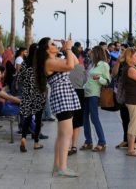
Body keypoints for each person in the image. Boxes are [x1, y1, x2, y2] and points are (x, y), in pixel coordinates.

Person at [34, 37, 80, 177]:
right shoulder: (49, 62)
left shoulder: (54, 59)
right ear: (47, 49)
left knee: (62, 134)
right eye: (52, 44)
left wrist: (67, 49)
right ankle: (62, 167)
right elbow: (70, 66)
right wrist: (67, 49)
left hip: (65, 94)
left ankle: (57, 166)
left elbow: (75, 62)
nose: (56, 45)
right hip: (62, 96)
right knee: (66, 134)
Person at [18, 43, 47, 153]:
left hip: (26, 94)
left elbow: (20, 78)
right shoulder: (41, 64)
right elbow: (44, 79)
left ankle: (24, 138)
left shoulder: (25, 63)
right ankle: (36, 143)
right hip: (38, 94)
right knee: (38, 119)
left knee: (28, 118)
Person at [81, 46, 109, 152]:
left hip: (94, 93)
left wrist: (99, 78)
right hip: (86, 92)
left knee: (94, 117)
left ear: (96, 53)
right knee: (85, 118)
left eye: (92, 52)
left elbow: (107, 81)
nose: (90, 53)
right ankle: (88, 141)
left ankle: (102, 141)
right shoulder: (92, 64)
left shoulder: (104, 65)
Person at [68, 48, 87, 155]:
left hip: (68, 92)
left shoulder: (65, 67)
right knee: (77, 121)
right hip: (79, 92)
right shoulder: (81, 67)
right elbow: (85, 80)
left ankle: (67, 145)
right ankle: (74, 145)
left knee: (68, 120)